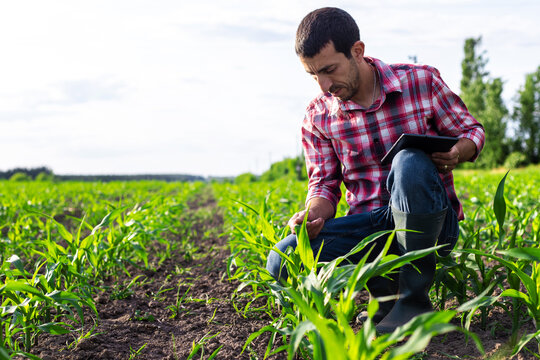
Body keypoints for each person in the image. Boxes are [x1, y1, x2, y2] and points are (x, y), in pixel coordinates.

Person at [265, 7, 485, 333]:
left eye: (329, 70)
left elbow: (471, 131)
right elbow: (324, 186)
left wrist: (457, 151)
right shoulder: (318, 116)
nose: (324, 85)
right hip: (372, 227)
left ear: (357, 51)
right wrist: (311, 214)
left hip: (431, 220)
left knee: (408, 160)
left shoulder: (421, 82)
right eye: (313, 75)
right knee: (283, 256)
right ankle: (375, 305)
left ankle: (413, 303)